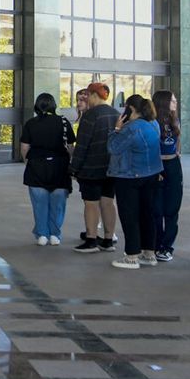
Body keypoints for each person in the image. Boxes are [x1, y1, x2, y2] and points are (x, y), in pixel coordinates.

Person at [107, 94, 162, 268]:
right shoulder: (154, 124)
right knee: (147, 214)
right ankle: (149, 253)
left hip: (129, 176)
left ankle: (131, 256)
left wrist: (116, 128)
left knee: (130, 216)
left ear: (130, 109)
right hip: (151, 174)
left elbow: (113, 147)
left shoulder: (131, 128)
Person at [70, 82, 120, 252]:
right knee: (108, 202)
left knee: (91, 203)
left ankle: (91, 239)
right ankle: (108, 239)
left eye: (88, 95)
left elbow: (82, 144)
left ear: (94, 95)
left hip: (91, 168)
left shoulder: (90, 115)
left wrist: (74, 168)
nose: (86, 99)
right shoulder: (116, 114)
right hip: (112, 168)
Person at [20, 93, 76, 246]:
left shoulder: (31, 123)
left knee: (40, 203)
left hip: (37, 166)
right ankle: (55, 235)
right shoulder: (64, 122)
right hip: (60, 166)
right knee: (58, 203)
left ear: (37, 106)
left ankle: (42, 234)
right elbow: (71, 147)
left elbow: (24, 147)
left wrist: (28, 162)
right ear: (54, 105)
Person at [152, 90, 182, 262]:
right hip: (157, 165)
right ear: (164, 102)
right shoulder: (152, 121)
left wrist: (177, 153)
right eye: (172, 100)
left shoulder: (174, 119)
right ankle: (156, 244)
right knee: (156, 208)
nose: (175, 103)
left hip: (173, 166)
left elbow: (178, 140)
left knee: (172, 208)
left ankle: (167, 246)